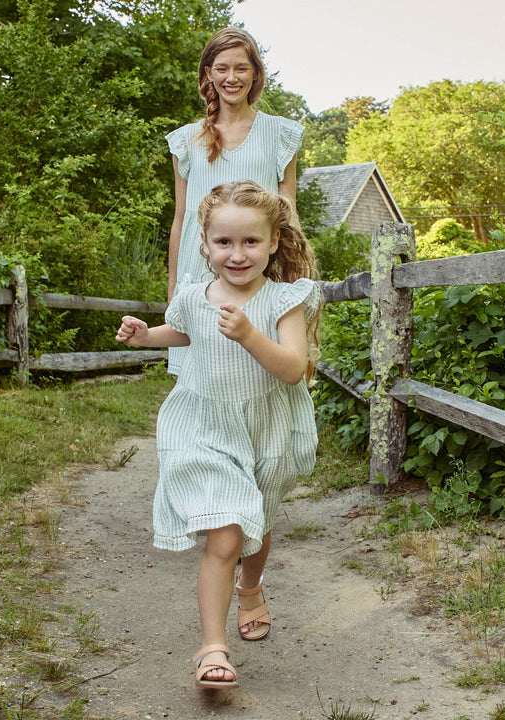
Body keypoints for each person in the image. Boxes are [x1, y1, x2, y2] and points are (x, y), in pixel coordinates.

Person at [116, 181, 321, 689]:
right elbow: (185, 331)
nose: (237, 254)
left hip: (267, 428)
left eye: (250, 242)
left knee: (258, 521)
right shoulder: (193, 295)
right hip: (204, 426)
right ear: (204, 244)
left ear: (274, 242)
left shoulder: (283, 300)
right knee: (226, 529)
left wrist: (252, 334)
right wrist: (148, 336)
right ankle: (213, 647)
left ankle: (250, 588)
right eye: (224, 242)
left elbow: (294, 368)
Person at [165, 26, 305, 375]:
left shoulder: (280, 134)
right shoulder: (186, 140)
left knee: (257, 370)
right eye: (222, 68)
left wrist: (297, 278)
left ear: (255, 73)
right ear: (208, 74)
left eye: (241, 68)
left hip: (258, 270)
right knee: (199, 379)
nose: (232, 78)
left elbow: (289, 213)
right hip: (198, 273)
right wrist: (173, 288)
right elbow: (181, 217)